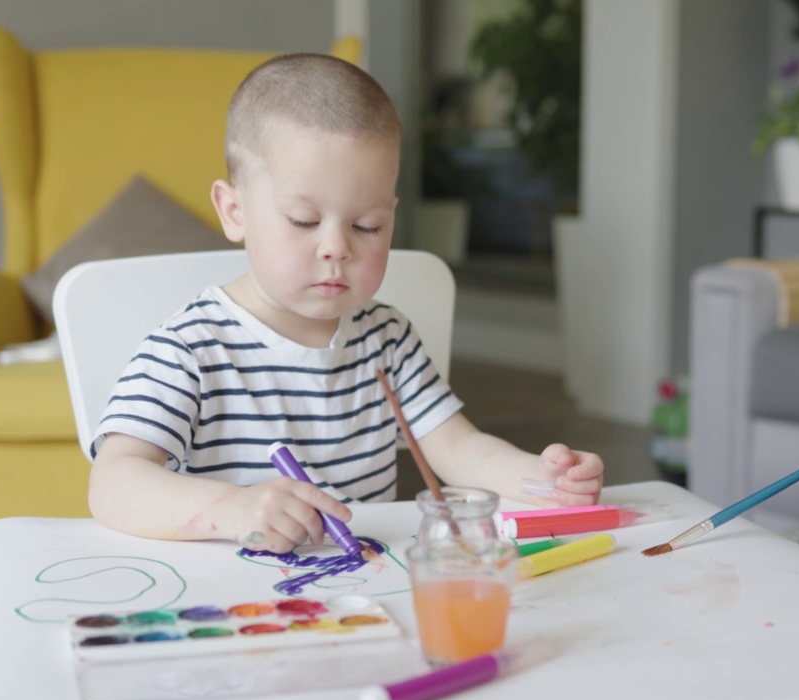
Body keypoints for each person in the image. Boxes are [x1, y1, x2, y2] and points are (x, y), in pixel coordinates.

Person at [88, 53, 604, 554]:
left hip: (364, 595)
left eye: (367, 225)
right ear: (234, 211)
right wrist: (233, 509)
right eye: (304, 221)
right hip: (237, 605)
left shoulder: (388, 337)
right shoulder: (188, 350)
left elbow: (457, 448)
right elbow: (113, 483)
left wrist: (540, 479)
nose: (338, 246)